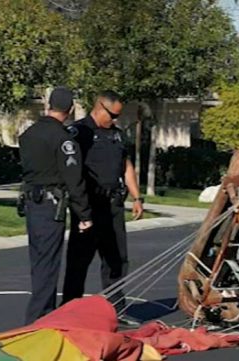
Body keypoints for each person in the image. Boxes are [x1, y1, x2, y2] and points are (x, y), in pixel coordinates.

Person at [62, 90, 144, 314]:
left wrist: (137, 197)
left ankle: (116, 310)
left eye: (118, 116)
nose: (115, 120)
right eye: (113, 115)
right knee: (79, 260)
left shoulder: (117, 135)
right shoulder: (79, 132)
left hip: (113, 204)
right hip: (88, 205)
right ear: (99, 107)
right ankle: (69, 310)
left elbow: (126, 166)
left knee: (116, 260)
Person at [18, 86, 93, 324]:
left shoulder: (29, 134)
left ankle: (39, 314)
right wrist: (84, 214)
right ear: (70, 109)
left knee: (39, 261)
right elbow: (74, 178)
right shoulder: (63, 139)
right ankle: (40, 317)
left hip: (32, 202)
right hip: (51, 204)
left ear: (49, 105)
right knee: (49, 263)